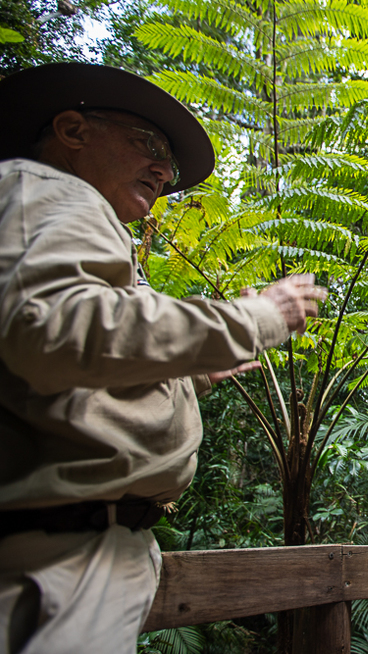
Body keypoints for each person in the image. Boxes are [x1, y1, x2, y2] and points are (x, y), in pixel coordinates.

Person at [0, 62, 326, 654]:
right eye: (147, 144)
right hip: (53, 560)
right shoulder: (52, 191)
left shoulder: (61, 212)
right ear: (72, 130)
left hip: (76, 553)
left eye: (170, 164)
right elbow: (46, 331)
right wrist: (255, 319)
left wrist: (190, 376)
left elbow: (74, 364)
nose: (164, 170)